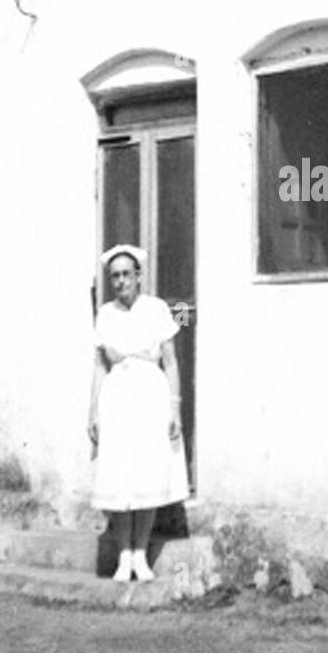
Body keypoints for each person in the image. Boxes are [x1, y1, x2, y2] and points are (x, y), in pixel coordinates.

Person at [88, 243, 188, 582]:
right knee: (119, 474)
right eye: (114, 276)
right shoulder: (106, 313)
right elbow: (100, 367)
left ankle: (141, 554)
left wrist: (175, 408)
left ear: (139, 277)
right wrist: (93, 412)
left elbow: (171, 362)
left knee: (146, 472)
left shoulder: (157, 309)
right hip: (117, 397)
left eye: (126, 275)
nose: (120, 282)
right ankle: (123, 556)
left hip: (150, 395)